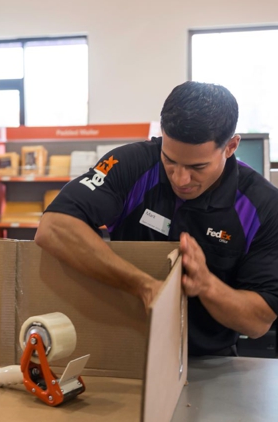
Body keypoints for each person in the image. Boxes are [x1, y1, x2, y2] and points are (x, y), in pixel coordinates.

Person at [35, 81, 278, 356]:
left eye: (197, 167)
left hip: (209, 364)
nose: (180, 179)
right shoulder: (131, 164)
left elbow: (259, 322)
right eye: (170, 160)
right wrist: (144, 286)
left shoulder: (264, 206)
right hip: (123, 354)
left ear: (231, 146)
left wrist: (207, 286)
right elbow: (53, 228)